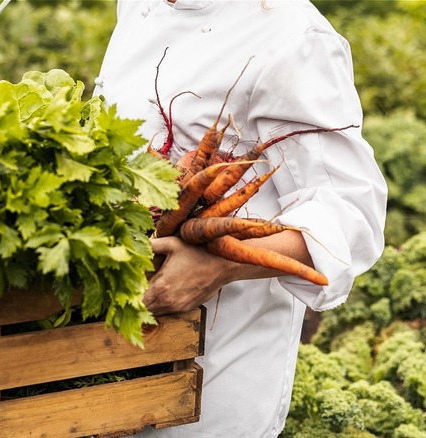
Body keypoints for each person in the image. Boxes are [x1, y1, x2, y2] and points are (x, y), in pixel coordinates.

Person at [92, 0, 388, 436]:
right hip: (113, 342)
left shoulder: (293, 35)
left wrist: (220, 263)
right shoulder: (139, 4)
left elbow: (351, 214)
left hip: (217, 364)